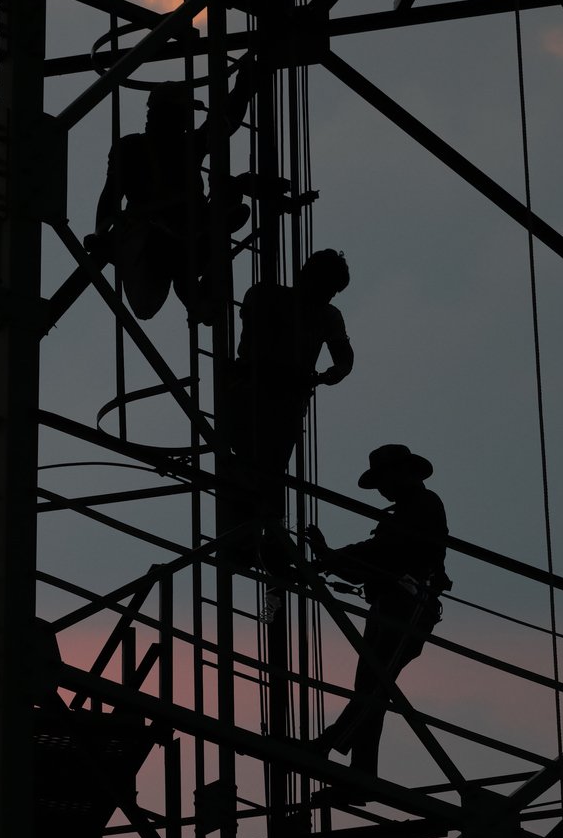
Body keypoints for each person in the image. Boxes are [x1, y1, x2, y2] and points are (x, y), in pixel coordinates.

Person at [92, 75, 310, 325]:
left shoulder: (184, 146)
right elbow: (110, 197)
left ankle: (201, 292)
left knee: (195, 253)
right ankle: (199, 293)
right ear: (167, 114)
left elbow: (224, 123)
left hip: (188, 233)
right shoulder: (135, 148)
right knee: (175, 277)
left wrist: (243, 89)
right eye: (183, 114)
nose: (187, 121)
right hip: (154, 239)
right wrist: (102, 237)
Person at [303, 444, 449, 790]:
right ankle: (359, 772)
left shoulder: (422, 508)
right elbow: (378, 558)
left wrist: (329, 558)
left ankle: (330, 747)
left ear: (406, 474)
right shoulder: (407, 513)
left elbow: (384, 554)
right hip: (390, 606)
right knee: (372, 688)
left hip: (407, 607)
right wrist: (330, 559)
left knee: (374, 686)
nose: (383, 488)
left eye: (386, 478)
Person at [235, 249, 353, 481]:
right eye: (328, 288)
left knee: (269, 466)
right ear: (308, 277)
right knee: (257, 462)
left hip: (283, 396)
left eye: (333, 292)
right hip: (256, 388)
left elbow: (344, 356)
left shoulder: (325, 314)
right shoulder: (265, 296)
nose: (329, 296)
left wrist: (336, 372)